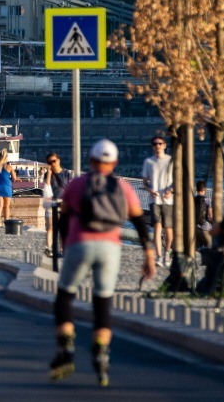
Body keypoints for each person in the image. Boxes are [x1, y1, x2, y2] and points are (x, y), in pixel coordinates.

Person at [50, 139, 154, 387]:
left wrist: (65, 246)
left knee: (65, 294)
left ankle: (66, 346)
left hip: (79, 243)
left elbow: (63, 219)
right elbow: (140, 223)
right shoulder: (123, 188)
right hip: (110, 248)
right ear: (115, 163)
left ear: (91, 160)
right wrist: (148, 255)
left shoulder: (76, 185)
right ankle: (101, 350)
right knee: (102, 300)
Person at [142, 136, 174, 267]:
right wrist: (150, 190)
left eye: (160, 144)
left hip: (168, 200)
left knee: (168, 229)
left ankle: (167, 252)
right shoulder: (148, 162)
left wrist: (170, 190)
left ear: (165, 145)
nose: (158, 146)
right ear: (152, 146)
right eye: (155, 144)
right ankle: (159, 257)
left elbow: (176, 180)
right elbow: (145, 182)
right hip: (154, 199)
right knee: (156, 229)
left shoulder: (170, 161)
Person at [45, 152, 73, 254]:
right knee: (50, 227)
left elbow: (70, 187)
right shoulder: (48, 174)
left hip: (64, 204)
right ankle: (49, 248)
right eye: (50, 162)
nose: (52, 163)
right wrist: (48, 174)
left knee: (63, 229)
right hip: (51, 203)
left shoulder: (66, 173)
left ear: (59, 160)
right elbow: (47, 186)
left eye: (54, 161)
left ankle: (62, 249)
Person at [0, 150, 16, 227]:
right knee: (6, 206)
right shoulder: (9, 167)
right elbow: (14, 178)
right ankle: (6, 223)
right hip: (7, 187)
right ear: (6, 158)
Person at [193, 180, 213, 249]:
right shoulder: (207, 199)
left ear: (196, 188)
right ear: (204, 189)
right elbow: (210, 215)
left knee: (196, 249)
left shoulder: (193, 199)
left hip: (195, 228)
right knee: (210, 248)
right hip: (206, 228)